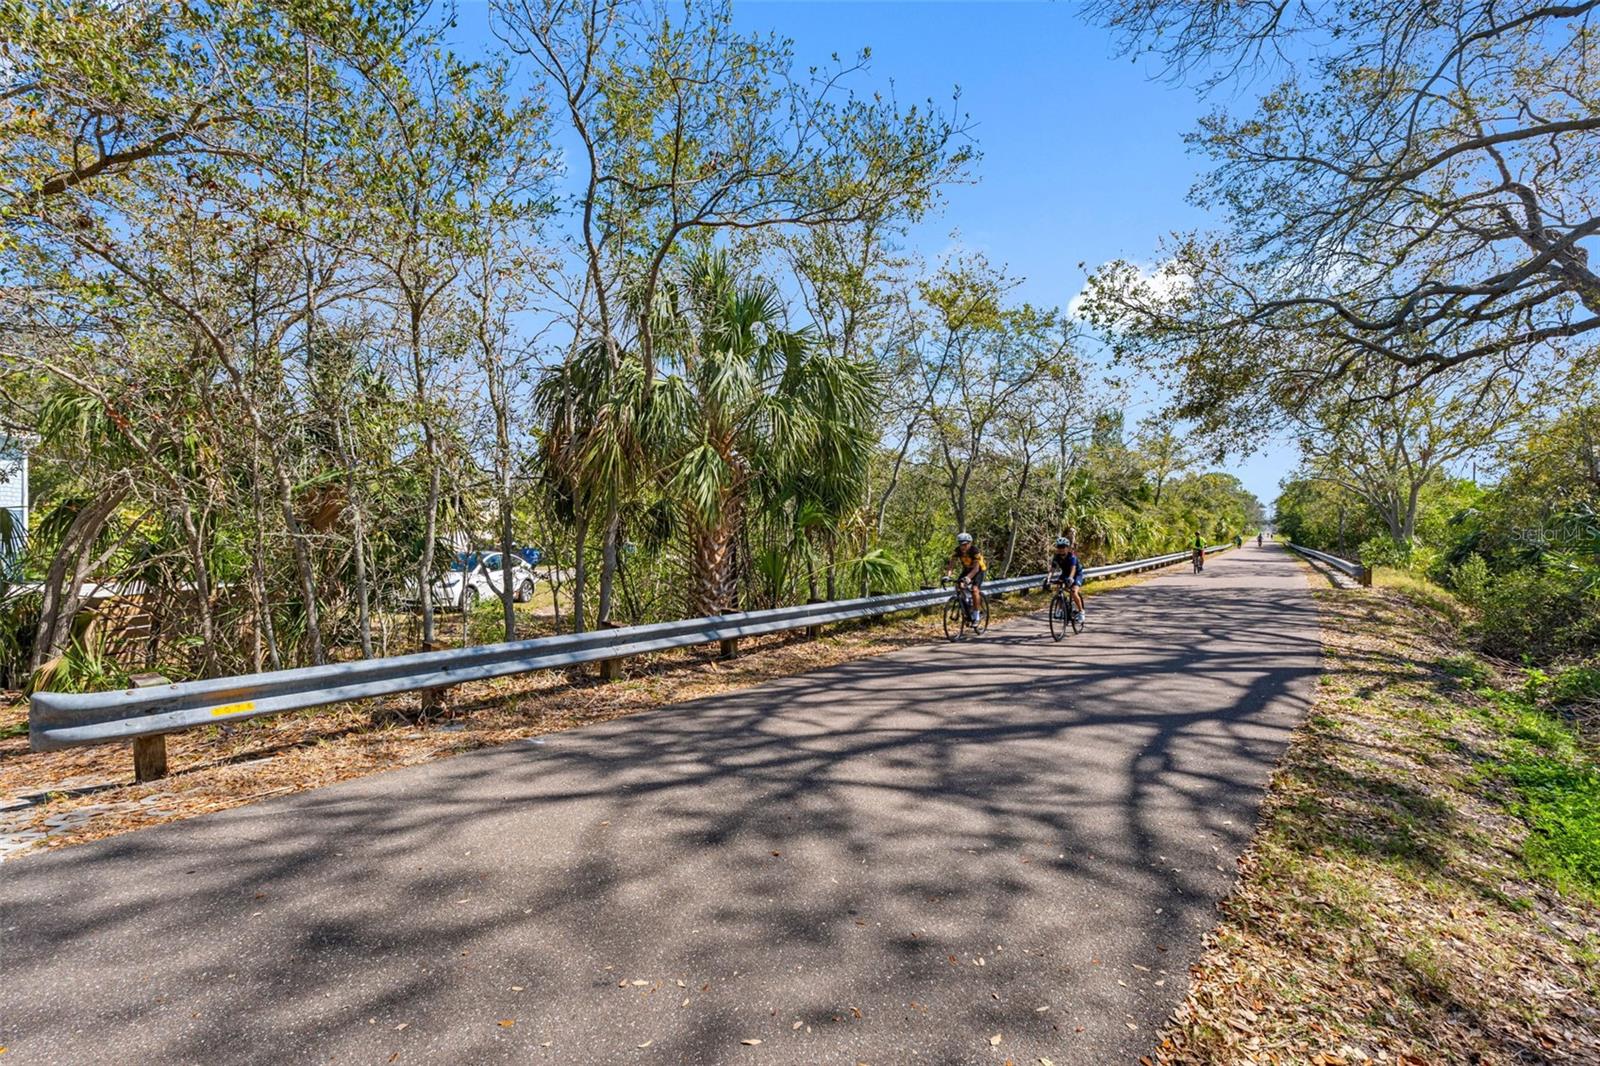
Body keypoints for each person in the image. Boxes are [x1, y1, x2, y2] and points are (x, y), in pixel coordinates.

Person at [944, 532, 987, 623]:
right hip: (967, 569)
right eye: (960, 544)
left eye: (965, 544)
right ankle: (968, 602)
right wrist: (947, 576)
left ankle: (976, 615)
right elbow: (951, 565)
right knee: (958, 586)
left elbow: (975, 569)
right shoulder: (957, 551)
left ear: (970, 543)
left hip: (979, 570)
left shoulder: (975, 551)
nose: (962, 546)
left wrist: (968, 578)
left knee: (975, 589)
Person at [1045, 536, 1086, 620]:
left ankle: (1081, 612)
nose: (1061, 549)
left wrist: (1071, 578)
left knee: (1074, 592)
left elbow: (1073, 569)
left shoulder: (1072, 557)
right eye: (1059, 547)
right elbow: (1052, 569)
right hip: (1065, 574)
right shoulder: (1056, 557)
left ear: (1067, 548)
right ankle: (1060, 609)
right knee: (1059, 589)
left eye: (1063, 547)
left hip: (1076, 574)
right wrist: (1048, 578)